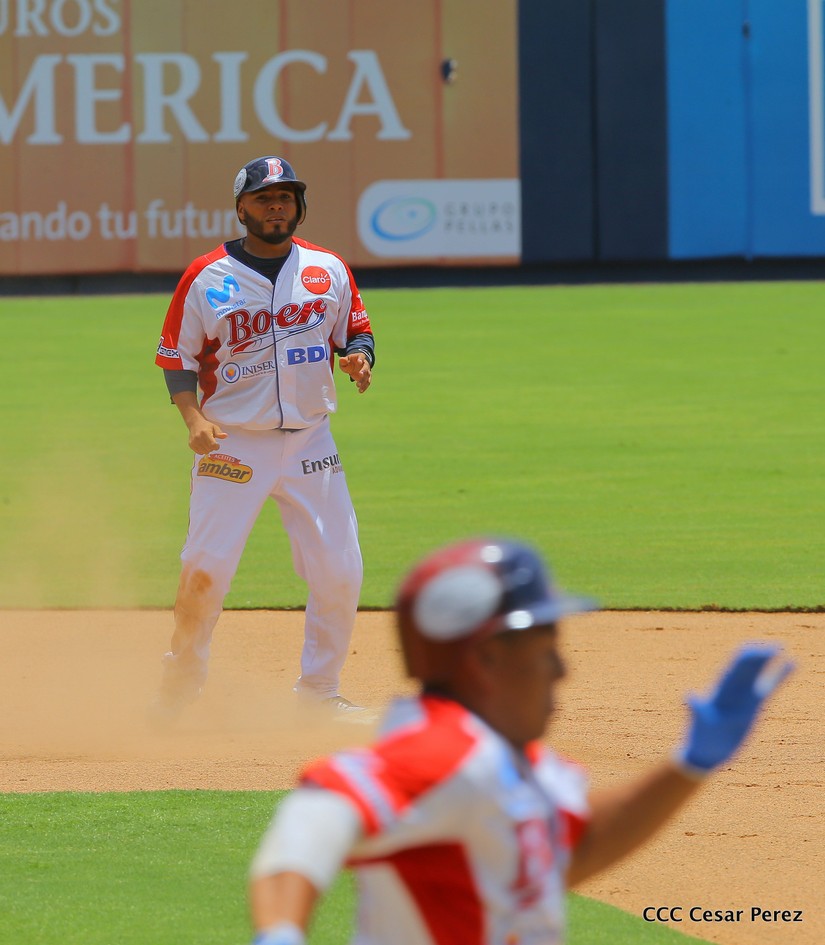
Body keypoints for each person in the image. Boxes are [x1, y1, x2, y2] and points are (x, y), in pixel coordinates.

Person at [247, 537, 792, 945]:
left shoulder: (511, 762)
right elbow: (319, 811)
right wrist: (280, 935)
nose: (562, 671)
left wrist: (689, 766)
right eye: (544, 648)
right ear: (484, 659)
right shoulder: (447, 753)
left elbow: (563, 852)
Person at [152, 155, 375, 724]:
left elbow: (356, 331)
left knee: (339, 568)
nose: (276, 206)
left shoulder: (328, 269)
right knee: (206, 568)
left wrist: (359, 359)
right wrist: (193, 419)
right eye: (264, 198)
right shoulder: (207, 276)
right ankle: (181, 684)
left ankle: (319, 694)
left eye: (286, 197)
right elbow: (176, 356)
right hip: (232, 444)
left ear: (299, 206)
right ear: (241, 207)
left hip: (310, 442)